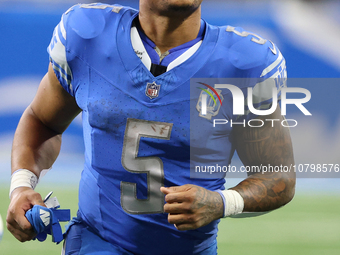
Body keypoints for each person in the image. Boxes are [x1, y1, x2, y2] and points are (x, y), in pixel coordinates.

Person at [7, 1, 295, 254]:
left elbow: (278, 176)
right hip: (98, 241)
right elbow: (42, 121)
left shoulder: (244, 65)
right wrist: (21, 186)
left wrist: (222, 202)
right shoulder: (87, 36)